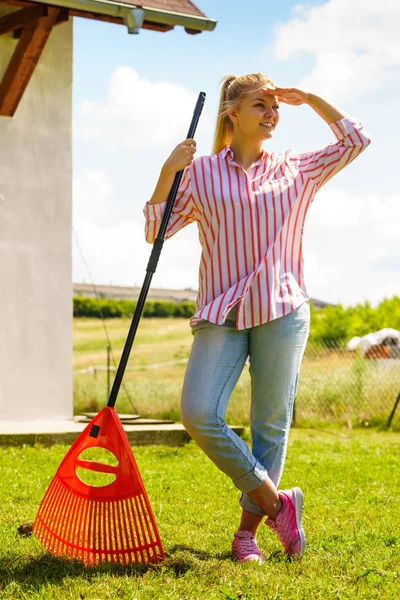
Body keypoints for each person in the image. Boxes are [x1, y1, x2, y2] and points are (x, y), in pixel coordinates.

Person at [143, 73, 371, 563]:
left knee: (270, 426)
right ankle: (278, 504)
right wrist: (168, 171)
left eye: (275, 107)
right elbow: (154, 232)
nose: (271, 113)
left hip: (282, 309)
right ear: (233, 113)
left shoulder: (296, 168)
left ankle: (246, 537)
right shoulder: (201, 172)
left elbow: (357, 140)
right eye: (260, 105)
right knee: (198, 413)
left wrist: (309, 98)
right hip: (221, 312)